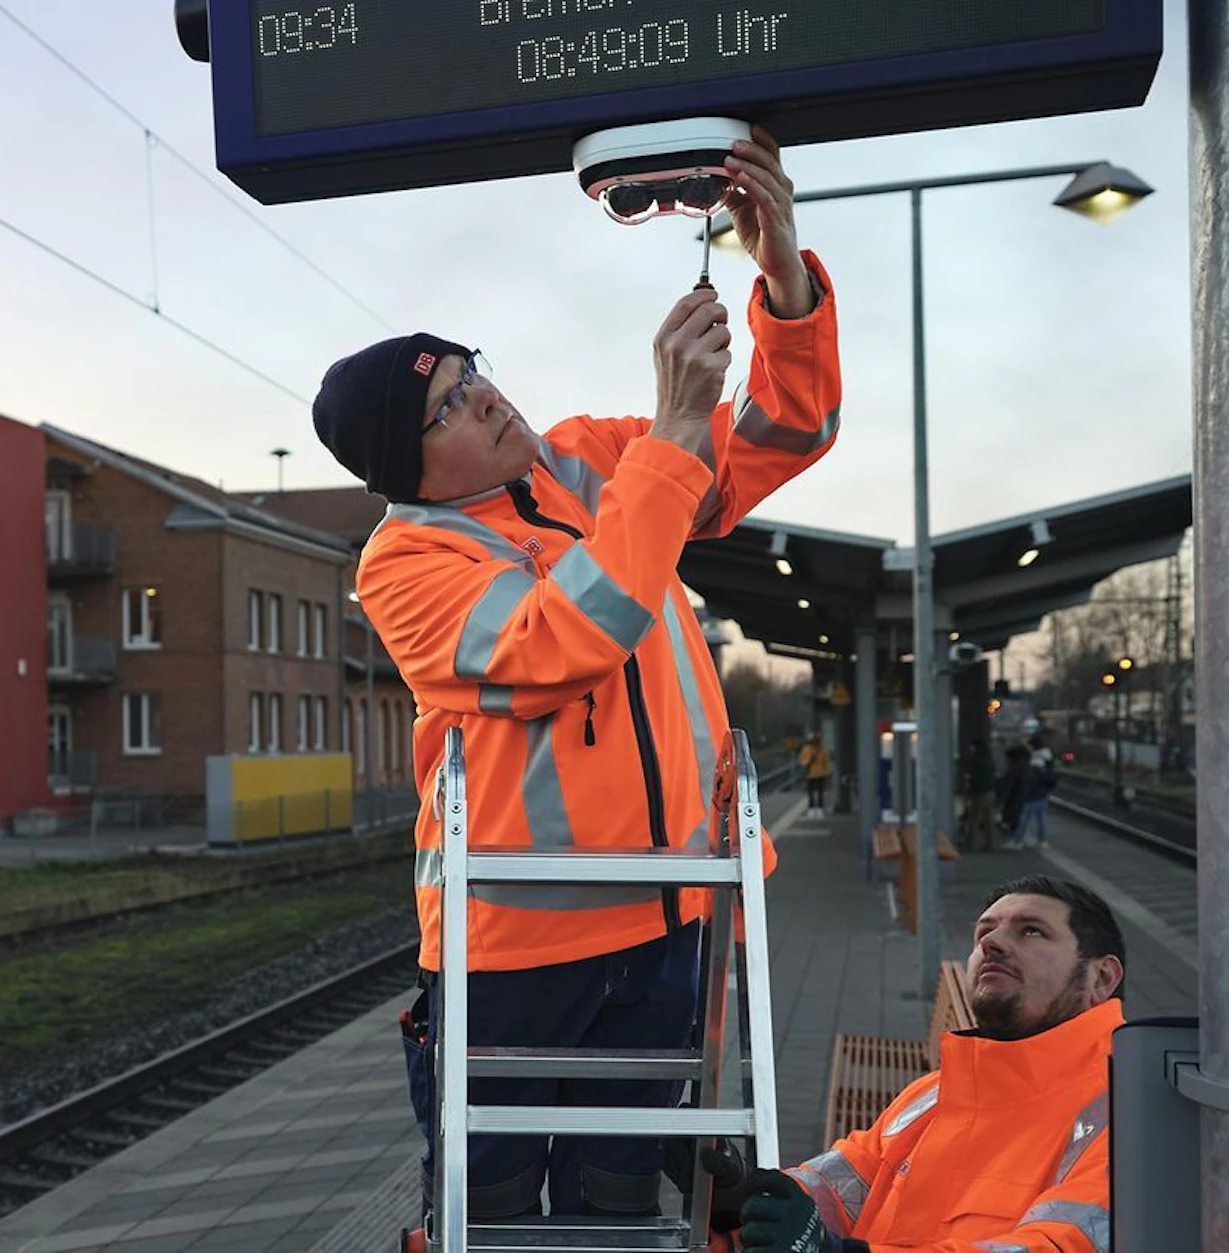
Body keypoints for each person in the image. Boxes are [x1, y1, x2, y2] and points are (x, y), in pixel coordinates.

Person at [312, 127, 842, 1221]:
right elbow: (568, 638)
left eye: (475, 376)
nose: (488, 402)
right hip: (515, 947)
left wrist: (780, 284)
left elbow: (784, 432)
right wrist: (673, 429)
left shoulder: (590, 460)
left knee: (617, 1205)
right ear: (403, 466)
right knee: (491, 1213)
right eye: (447, 406)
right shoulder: (406, 565)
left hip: (666, 925)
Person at [709, 875, 1124, 1251]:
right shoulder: (933, 1094)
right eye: (984, 931)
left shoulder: (1126, 1118)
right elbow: (838, 1190)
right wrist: (741, 1195)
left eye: (1031, 931)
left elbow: (1058, 1246)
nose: (991, 943)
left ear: (1101, 978)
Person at [1010, 735, 1057, 849]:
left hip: (1033, 794)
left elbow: (1032, 778)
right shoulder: (1047, 756)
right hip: (1043, 793)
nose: (1028, 748)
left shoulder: (1036, 759)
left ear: (1033, 746)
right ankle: (1042, 841)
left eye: (1029, 745)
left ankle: (1019, 841)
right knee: (1041, 819)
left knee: (1024, 818)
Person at [960, 737, 997, 852]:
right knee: (989, 820)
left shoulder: (975, 759)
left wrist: (970, 789)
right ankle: (990, 844)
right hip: (990, 792)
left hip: (979, 793)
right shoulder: (990, 759)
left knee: (973, 819)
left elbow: (973, 777)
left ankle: (969, 843)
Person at [995, 743, 1030, 849]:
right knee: (1018, 820)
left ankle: (1016, 841)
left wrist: (1000, 799)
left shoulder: (1015, 768)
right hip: (1023, 797)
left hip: (1015, 798)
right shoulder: (1026, 766)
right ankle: (1018, 840)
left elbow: (1008, 785)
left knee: (1014, 820)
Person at [797, 731, 832, 817]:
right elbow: (826, 762)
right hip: (818, 774)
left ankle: (813, 809)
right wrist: (827, 772)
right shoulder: (821, 749)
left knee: (814, 793)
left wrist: (808, 761)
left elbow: (802, 761)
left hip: (813, 774)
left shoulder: (808, 749)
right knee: (816, 793)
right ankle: (817, 809)